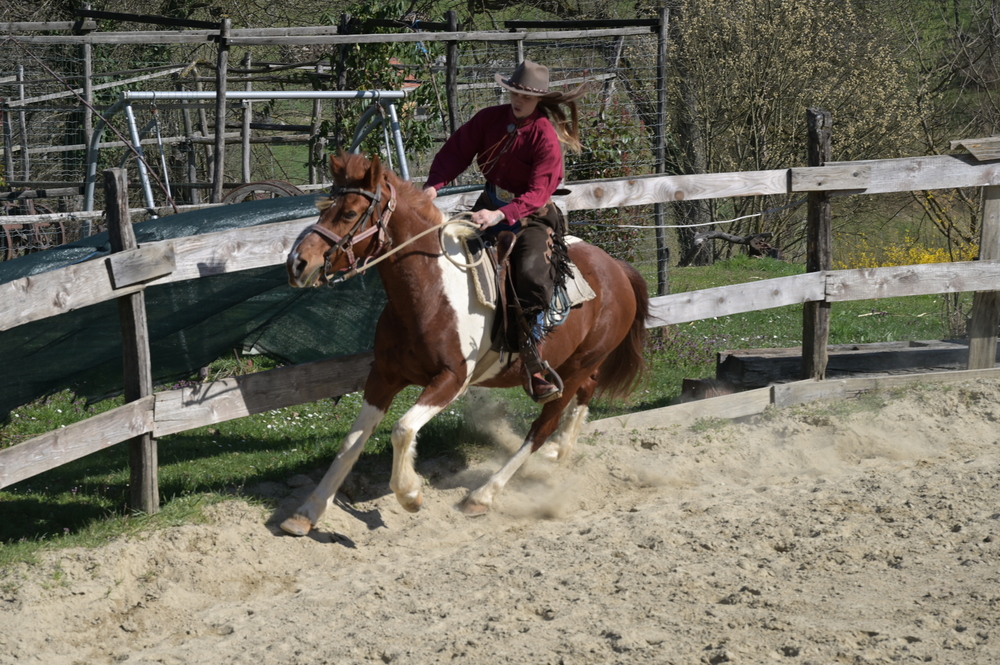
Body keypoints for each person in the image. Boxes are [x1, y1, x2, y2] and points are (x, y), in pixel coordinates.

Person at [422, 59, 587, 404]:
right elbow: (457, 151)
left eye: (525, 96)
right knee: (442, 255)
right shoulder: (489, 119)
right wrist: (433, 187)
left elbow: (538, 194)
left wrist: (499, 215)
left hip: (532, 216)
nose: (517, 100)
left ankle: (533, 359)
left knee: (529, 274)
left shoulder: (545, 136)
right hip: (490, 205)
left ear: (538, 100)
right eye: (514, 92)